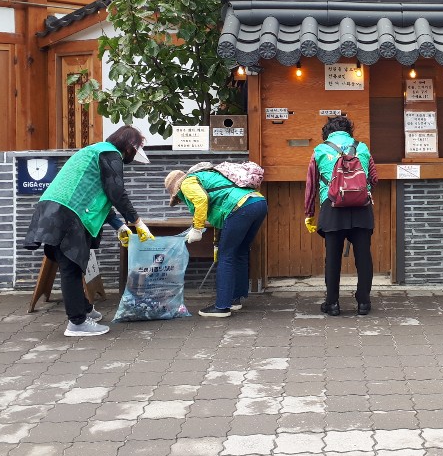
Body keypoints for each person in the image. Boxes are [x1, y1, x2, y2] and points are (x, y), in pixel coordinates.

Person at [24, 125, 153, 337]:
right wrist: (137, 221)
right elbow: (116, 192)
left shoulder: (94, 151)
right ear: (129, 148)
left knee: (71, 264)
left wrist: (119, 224)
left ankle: (84, 310)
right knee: (71, 267)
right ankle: (77, 323)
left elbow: (99, 195)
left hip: (54, 209)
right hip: (67, 212)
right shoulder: (110, 153)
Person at [164, 165, 268, 318]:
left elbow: (201, 199)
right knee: (239, 252)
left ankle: (222, 307)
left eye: (178, 198)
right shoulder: (207, 176)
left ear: (176, 189)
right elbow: (221, 218)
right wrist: (216, 243)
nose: (181, 201)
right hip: (258, 203)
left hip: (240, 207)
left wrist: (197, 228)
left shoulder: (187, 182)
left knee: (226, 257)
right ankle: (234, 299)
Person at [304, 115, 379, 316]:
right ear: (349, 131)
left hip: (332, 207)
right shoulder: (362, 147)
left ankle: (332, 303)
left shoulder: (320, 150)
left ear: (327, 132)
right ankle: (363, 302)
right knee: (364, 256)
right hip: (362, 207)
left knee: (333, 257)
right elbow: (374, 177)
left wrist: (309, 213)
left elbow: (311, 185)